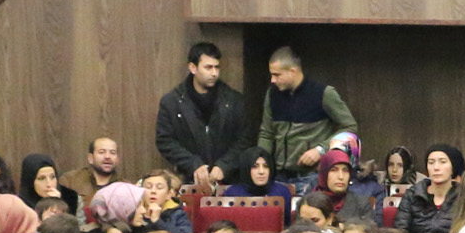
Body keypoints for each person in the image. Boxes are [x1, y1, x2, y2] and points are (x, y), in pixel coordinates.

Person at [151, 41, 251, 191]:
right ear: (193, 68)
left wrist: (225, 165)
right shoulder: (172, 102)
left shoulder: (234, 100)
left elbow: (244, 139)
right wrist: (192, 164)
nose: (214, 73)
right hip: (188, 180)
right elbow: (165, 141)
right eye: (208, 67)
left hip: (229, 181)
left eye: (217, 67)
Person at [259, 47, 359, 175]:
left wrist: (321, 150)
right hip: (279, 175)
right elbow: (266, 134)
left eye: (277, 75)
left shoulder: (323, 94)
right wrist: (261, 163)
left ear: (293, 71)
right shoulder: (272, 94)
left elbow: (349, 127)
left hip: (312, 175)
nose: (272, 80)